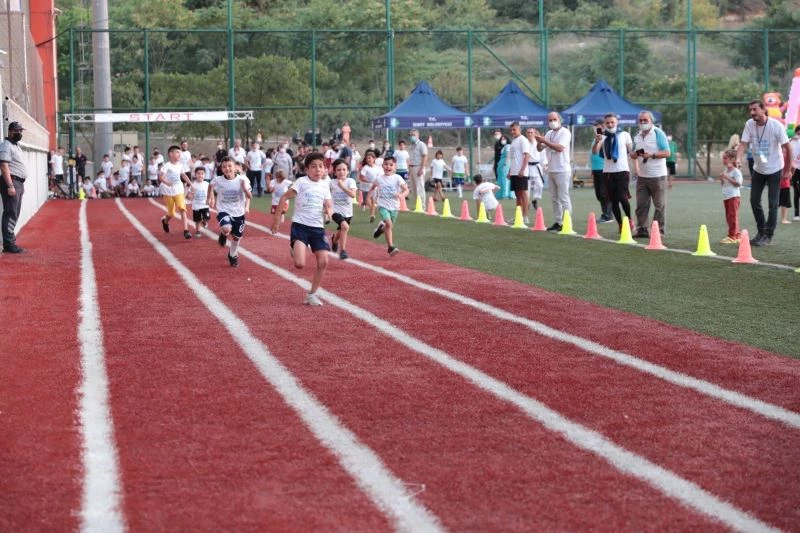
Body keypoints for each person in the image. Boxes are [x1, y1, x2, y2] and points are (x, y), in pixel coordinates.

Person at [271, 152, 333, 306]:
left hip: (318, 228)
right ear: (307, 169)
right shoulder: (301, 182)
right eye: (313, 167)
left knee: (324, 261)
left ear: (325, 169)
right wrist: (276, 220)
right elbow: (284, 197)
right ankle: (294, 245)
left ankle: (311, 294)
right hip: (301, 227)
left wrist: (328, 213)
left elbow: (328, 204)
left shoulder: (325, 185)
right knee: (299, 264)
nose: (318, 170)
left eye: (321, 166)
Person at [736, 99, 792, 246]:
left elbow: (788, 148)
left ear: (763, 109)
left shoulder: (776, 126)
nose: (752, 113)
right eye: (750, 110)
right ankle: (761, 231)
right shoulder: (749, 124)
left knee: (773, 203)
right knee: (754, 200)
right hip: (758, 169)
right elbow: (743, 144)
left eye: (755, 109)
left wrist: (787, 170)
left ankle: (769, 235)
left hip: (775, 169)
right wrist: (738, 158)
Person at [631, 111, 670, 238]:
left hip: (658, 175)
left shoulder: (658, 133)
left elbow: (667, 152)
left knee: (659, 205)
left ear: (651, 121)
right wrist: (635, 154)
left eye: (645, 120)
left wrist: (651, 155)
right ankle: (642, 228)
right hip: (642, 176)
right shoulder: (637, 136)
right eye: (640, 120)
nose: (642, 122)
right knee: (641, 204)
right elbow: (632, 153)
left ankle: (658, 231)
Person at [209, 156, 252, 267]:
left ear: (235, 167)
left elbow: (250, 196)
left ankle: (232, 255)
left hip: (238, 212)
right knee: (226, 228)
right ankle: (224, 233)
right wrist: (211, 197)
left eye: (229, 166)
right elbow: (210, 185)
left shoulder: (243, 180)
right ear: (221, 169)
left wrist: (244, 188)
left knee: (236, 237)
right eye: (224, 167)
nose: (227, 169)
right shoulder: (218, 180)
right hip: (224, 210)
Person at [535, 112, 572, 232]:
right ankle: (558, 221)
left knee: (563, 197)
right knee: (554, 198)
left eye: (554, 119)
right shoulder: (549, 133)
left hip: (562, 169)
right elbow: (540, 148)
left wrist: (544, 141)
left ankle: (567, 222)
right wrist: (539, 141)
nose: (552, 122)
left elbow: (560, 148)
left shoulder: (565, 132)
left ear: (559, 120)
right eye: (550, 120)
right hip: (551, 169)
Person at [370, 155, 408, 256]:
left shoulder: (397, 178)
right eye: (386, 164)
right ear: (383, 166)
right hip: (382, 206)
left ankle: (380, 229)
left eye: (391, 165)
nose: (388, 167)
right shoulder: (379, 179)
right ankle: (390, 247)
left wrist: (401, 195)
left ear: (395, 167)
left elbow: (406, 189)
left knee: (388, 226)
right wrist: (367, 199)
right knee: (389, 225)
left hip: (394, 207)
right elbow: (372, 188)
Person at [0, 122, 27, 253]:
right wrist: (10, 185)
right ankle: (8, 244)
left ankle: (10, 241)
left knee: (14, 213)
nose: (20, 133)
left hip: (18, 182)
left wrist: (20, 185)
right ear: (10, 131)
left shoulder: (15, 146)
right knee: (10, 213)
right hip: (12, 182)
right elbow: (4, 166)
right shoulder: (6, 146)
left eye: (21, 131)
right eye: (17, 131)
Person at [158, 145, 193, 240]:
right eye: (177, 152)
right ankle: (165, 222)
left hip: (179, 190)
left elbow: (184, 175)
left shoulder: (180, 165)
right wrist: (167, 182)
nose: (179, 154)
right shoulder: (166, 166)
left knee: (182, 208)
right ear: (171, 154)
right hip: (168, 191)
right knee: (171, 213)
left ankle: (186, 231)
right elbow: (160, 177)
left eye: (180, 153)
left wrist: (191, 184)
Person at [329, 158, 357, 259]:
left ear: (348, 171)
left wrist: (342, 186)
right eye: (339, 170)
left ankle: (334, 240)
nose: (342, 172)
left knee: (342, 230)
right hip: (335, 211)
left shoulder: (350, 181)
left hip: (348, 213)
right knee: (345, 227)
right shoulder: (331, 182)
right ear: (335, 172)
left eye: (344, 169)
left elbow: (353, 195)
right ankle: (343, 251)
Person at [589, 120, 613, 222]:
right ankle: (606, 213)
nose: (596, 129)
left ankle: (607, 215)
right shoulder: (595, 139)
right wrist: (592, 169)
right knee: (599, 194)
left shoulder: (605, 138)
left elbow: (597, 151)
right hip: (596, 169)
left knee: (604, 193)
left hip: (604, 169)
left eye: (598, 127)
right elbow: (593, 155)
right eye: (595, 127)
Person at [507, 122, 531, 224]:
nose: (512, 132)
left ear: (519, 129)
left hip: (521, 172)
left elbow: (527, 156)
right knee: (517, 195)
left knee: (523, 193)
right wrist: (510, 171)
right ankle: (518, 216)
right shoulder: (513, 142)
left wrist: (522, 169)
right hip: (514, 172)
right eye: (511, 130)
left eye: (514, 130)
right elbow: (513, 158)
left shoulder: (523, 140)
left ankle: (525, 217)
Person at [719, 149, 743, 244]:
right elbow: (724, 184)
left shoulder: (736, 171)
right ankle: (737, 236)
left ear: (732, 159)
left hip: (734, 197)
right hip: (727, 196)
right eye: (723, 158)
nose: (723, 160)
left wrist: (727, 177)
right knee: (729, 217)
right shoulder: (726, 170)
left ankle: (732, 236)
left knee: (732, 216)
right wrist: (722, 179)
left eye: (725, 158)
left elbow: (738, 184)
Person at [525, 128, 547, 212]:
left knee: (540, 185)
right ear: (526, 134)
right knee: (526, 187)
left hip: (536, 167)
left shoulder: (538, 143)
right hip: (527, 167)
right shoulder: (525, 143)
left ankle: (535, 199)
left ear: (534, 134)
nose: (530, 134)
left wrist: (544, 164)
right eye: (528, 132)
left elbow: (543, 154)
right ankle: (527, 202)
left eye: (531, 132)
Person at [406, 128, 429, 207]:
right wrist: (409, 170)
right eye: (411, 135)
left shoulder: (421, 144)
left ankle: (422, 205)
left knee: (420, 187)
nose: (412, 136)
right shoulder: (412, 146)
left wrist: (421, 169)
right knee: (413, 188)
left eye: (413, 135)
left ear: (418, 135)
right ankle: (417, 205)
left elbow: (425, 157)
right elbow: (411, 158)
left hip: (418, 167)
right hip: (412, 167)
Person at [188, 167, 211, 238]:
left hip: (205, 205)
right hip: (196, 206)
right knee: (197, 220)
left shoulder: (207, 184)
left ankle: (204, 221)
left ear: (204, 175)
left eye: (202, 174)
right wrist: (190, 196)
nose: (200, 175)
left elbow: (211, 192)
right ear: (195, 174)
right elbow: (189, 194)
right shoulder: (193, 184)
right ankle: (198, 230)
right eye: (198, 174)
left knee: (207, 217)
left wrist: (211, 200)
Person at [359, 150, 380, 222]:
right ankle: (364, 203)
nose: (368, 160)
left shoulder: (377, 168)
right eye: (367, 158)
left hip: (374, 187)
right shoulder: (365, 168)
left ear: (374, 159)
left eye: (370, 158)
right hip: (365, 187)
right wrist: (369, 181)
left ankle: (372, 215)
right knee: (367, 201)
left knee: (373, 200)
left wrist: (377, 183)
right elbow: (361, 177)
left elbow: (379, 176)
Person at [495, 135, 512, 200]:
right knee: (502, 178)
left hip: (505, 163)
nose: (503, 140)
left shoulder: (508, 146)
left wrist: (505, 163)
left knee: (504, 178)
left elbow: (508, 155)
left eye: (504, 138)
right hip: (502, 162)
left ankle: (505, 194)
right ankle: (503, 193)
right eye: (502, 139)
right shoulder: (505, 146)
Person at [790, 128, 800, 221]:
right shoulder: (792, 141)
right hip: (795, 169)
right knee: (796, 192)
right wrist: (791, 139)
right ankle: (796, 213)